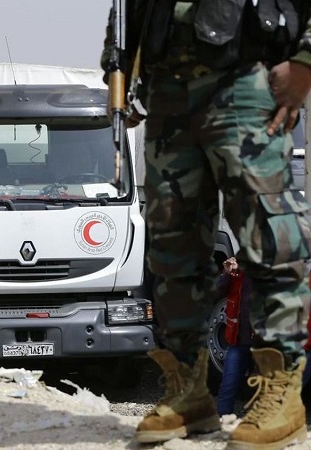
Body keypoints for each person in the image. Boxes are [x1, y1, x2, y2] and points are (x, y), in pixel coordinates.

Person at [102, 2, 311, 448]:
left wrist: (305, 59)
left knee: (268, 236)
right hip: (166, 89)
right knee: (171, 245)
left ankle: (284, 392)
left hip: (242, 79)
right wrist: (117, 68)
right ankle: (188, 392)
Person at [215, 257, 253, 416]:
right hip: (238, 340)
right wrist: (226, 274)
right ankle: (223, 420)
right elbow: (215, 292)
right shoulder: (238, 269)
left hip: (264, 343)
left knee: (267, 387)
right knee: (228, 384)